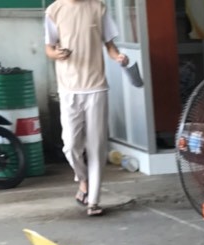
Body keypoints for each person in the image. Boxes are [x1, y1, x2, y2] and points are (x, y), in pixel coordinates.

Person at [44, 0, 129, 216]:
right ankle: (83, 180)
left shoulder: (98, 7)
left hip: (96, 87)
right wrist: (57, 54)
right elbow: (49, 48)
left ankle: (94, 200)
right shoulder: (54, 10)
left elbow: (109, 44)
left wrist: (118, 57)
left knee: (96, 146)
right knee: (71, 145)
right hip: (68, 88)